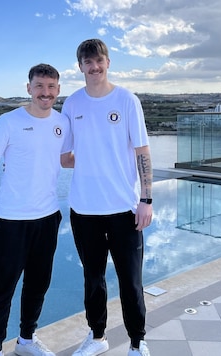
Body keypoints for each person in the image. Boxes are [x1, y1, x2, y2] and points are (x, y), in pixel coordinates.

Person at [0, 63, 69, 356]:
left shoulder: (62, 123)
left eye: (51, 87)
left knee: (38, 284)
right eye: (39, 86)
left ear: (58, 90)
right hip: (12, 220)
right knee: (2, 290)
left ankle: (26, 340)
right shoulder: (8, 121)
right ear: (29, 88)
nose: (45, 93)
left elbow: (62, 158)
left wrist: (105, 156)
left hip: (48, 217)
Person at [60, 39, 153, 356]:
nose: (94, 66)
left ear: (108, 62)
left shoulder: (127, 101)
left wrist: (147, 199)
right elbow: (63, 156)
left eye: (99, 60)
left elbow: (142, 152)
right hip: (84, 209)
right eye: (88, 62)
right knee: (93, 279)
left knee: (131, 281)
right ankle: (97, 337)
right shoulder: (72, 104)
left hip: (123, 209)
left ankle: (137, 343)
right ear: (80, 66)